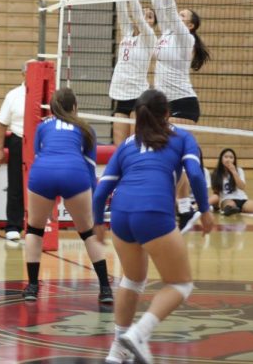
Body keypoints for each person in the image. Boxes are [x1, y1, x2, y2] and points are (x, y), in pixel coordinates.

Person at [92, 89, 214, 364]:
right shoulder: (182, 137)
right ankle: (138, 334)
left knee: (132, 280)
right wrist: (205, 210)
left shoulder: (126, 145)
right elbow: (194, 173)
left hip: (121, 215)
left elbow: (101, 191)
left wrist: (98, 221)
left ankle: (117, 351)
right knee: (181, 284)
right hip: (153, 211)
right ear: (168, 114)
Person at [21, 88, 113, 304]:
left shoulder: (42, 127)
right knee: (88, 232)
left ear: (52, 108)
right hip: (75, 173)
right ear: (75, 107)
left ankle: (33, 286)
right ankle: (106, 289)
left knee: (34, 229)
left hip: (42, 173)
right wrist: (92, 203)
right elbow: (90, 169)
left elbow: (38, 157)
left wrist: (48, 200)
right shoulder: (86, 129)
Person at [144, 0, 211, 234]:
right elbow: (163, 6)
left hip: (183, 103)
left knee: (178, 157)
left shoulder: (185, 38)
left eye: (185, 16)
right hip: (165, 105)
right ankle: (181, 211)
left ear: (191, 25)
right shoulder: (167, 34)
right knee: (167, 155)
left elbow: (168, 8)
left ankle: (184, 211)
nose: (178, 15)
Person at [109, 0, 156, 146]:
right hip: (121, 93)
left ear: (152, 23)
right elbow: (122, 9)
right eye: (145, 13)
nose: (146, 16)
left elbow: (136, 14)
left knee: (134, 146)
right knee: (119, 148)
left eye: (150, 16)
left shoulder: (149, 37)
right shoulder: (128, 32)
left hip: (138, 96)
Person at [0, 61, 30, 241]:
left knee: (38, 185)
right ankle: (13, 225)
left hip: (38, 143)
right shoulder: (13, 95)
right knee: (15, 183)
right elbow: (1, 123)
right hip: (18, 140)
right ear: (23, 74)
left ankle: (34, 225)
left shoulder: (47, 95)